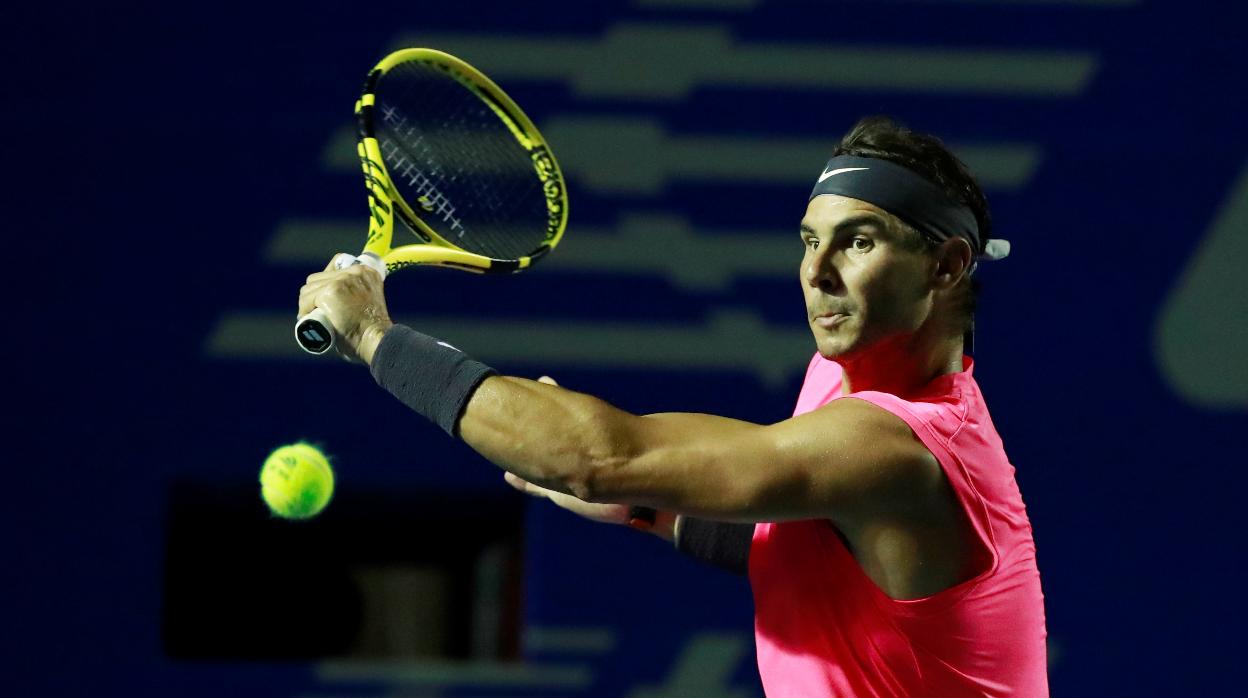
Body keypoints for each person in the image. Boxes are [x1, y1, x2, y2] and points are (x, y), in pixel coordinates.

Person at [297, 116, 1048, 696]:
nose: (816, 272)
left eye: (857, 242)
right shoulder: (846, 370)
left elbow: (601, 458)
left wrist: (375, 337)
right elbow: (809, 550)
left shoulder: (899, 447)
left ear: (947, 266)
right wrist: (644, 507)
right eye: (808, 239)